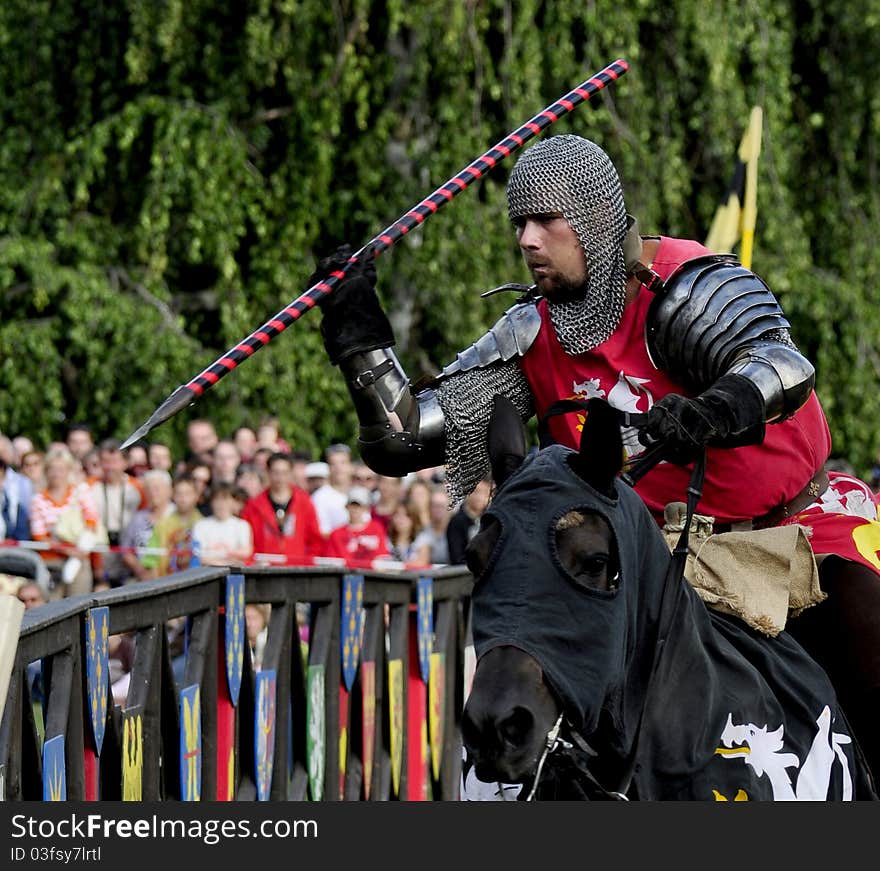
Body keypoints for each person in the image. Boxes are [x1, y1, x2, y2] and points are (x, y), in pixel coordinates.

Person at [311, 133, 880, 779]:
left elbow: (782, 364)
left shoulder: (685, 285)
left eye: (545, 220)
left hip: (786, 533)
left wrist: (715, 408)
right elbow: (403, 436)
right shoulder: (533, 330)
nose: (527, 240)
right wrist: (360, 339)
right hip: (643, 561)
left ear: (594, 219)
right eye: (519, 223)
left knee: (871, 632)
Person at [29, 446, 101, 597]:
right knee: (53, 607)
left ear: (68, 470)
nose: (56, 474)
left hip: (79, 559)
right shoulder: (38, 500)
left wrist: (81, 547)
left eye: (61, 469)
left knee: (78, 603)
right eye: (52, 469)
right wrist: (67, 549)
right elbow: (39, 535)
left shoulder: (80, 492)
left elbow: (92, 519)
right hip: (51, 562)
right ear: (46, 471)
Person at [241, 451, 325, 565]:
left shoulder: (304, 502)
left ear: (291, 473)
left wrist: (307, 564)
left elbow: (315, 540)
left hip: (297, 569)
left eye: (284, 473)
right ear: (268, 473)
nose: (280, 478)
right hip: (263, 570)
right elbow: (247, 541)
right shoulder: (254, 506)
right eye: (276, 472)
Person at [88, 438, 146, 586]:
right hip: (101, 548)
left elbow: (144, 520)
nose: (110, 467)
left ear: (125, 463)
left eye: (114, 461)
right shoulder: (90, 487)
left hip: (128, 548)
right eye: (105, 461)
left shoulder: (137, 488)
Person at [324, 486, 390, 566]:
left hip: (371, 576)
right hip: (346, 575)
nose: (355, 509)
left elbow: (382, 557)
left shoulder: (377, 529)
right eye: (352, 505)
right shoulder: (336, 534)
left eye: (359, 506)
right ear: (347, 507)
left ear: (366, 508)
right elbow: (332, 562)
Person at [192, 481, 254, 567]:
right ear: (211, 502)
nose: (221, 504)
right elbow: (198, 556)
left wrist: (220, 555)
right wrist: (227, 561)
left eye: (225, 499)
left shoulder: (242, 525)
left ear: (233, 501)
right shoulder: (200, 525)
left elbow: (246, 552)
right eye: (217, 499)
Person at [446, 478, 492, 565]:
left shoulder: (491, 519)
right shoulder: (457, 521)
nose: (479, 497)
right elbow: (456, 556)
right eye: (476, 492)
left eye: (485, 493)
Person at [311, 443, 353, 535]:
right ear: (328, 468)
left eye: (343, 462)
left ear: (351, 466)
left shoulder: (360, 492)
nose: (339, 468)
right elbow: (322, 533)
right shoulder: (320, 497)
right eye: (333, 464)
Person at [413, 486, 451, 566]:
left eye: (442, 506)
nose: (438, 510)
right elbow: (422, 558)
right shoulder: (425, 532)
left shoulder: (457, 529)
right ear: (429, 508)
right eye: (435, 506)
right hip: (433, 575)